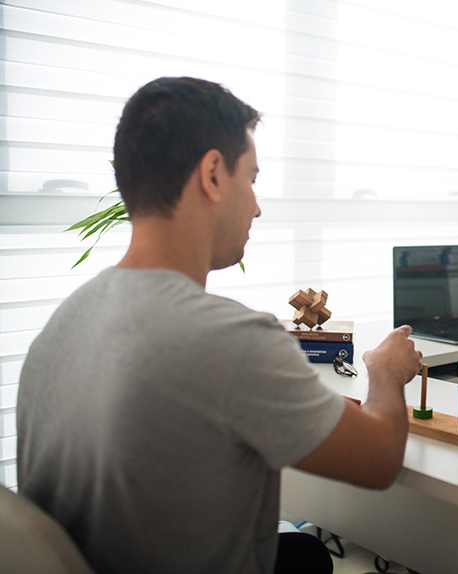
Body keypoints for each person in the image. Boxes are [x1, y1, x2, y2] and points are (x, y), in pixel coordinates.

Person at [16, 77, 423, 574]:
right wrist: (385, 369)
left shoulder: (60, 327)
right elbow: (380, 460)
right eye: (251, 179)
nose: (256, 205)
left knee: (303, 554)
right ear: (212, 174)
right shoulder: (228, 338)